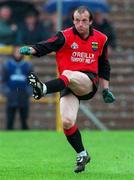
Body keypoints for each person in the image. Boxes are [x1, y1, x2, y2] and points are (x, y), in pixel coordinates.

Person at [19, 6, 115, 173]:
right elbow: (47, 46)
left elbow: (104, 65)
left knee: (69, 74)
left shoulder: (101, 39)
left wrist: (106, 89)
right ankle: (82, 153)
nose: (80, 24)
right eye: (77, 20)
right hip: (67, 84)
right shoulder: (65, 36)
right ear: (73, 21)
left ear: (91, 21)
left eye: (84, 20)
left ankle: (43, 88)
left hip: (87, 82)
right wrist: (32, 49)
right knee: (67, 121)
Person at [2, 46, 33, 130]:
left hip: (23, 94)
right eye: (16, 52)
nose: (18, 54)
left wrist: (28, 92)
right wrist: (6, 92)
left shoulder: (27, 65)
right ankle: (9, 136)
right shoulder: (7, 65)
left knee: (24, 119)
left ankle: (25, 138)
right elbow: (3, 80)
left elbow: (31, 81)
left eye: (19, 52)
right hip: (11, 94)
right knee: (10, 119)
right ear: (12, 53)